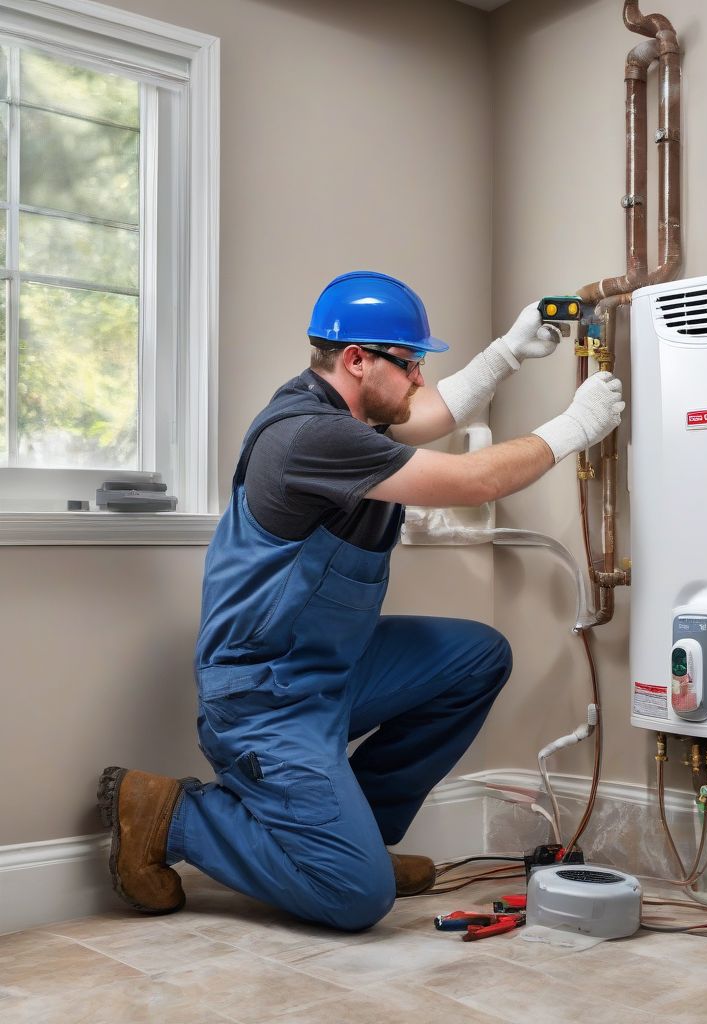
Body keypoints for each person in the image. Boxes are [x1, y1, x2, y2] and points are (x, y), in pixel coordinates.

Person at [98, 271, 624, 931]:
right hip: (266, 696)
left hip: (329, 668)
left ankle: (357, 839)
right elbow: (470, 480)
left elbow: (425, 414)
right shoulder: (310, 437)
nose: (419, 380)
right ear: (355, 360)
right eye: (410, 365)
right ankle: (176, 816)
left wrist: (507, 353)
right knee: (357, 899)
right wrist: (573, 426)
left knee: (477, 656)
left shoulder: (353, 418)